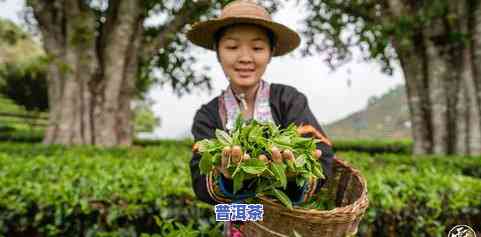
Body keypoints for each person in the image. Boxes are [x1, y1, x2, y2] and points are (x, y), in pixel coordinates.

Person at [187, 1, 335, 236]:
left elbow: (322, 157)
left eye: (257, 48)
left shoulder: (289, 100)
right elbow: (200, 182)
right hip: (235, 227)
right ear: (217, 51)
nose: (245, 58)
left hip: (288, 225)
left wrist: (293, 176)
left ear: (271, 52)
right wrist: (226, 178)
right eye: (232, 46)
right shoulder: (207, 115)